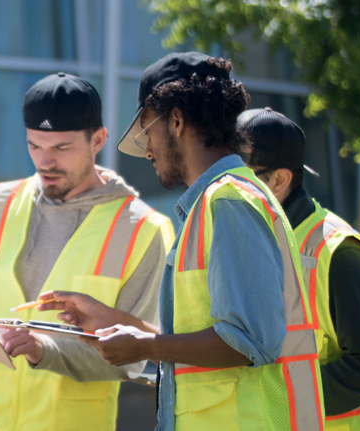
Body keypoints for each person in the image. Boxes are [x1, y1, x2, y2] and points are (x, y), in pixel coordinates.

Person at [37, 52, 328, 431]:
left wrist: (143, 347)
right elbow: (213, 335)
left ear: (175, 120)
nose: (146, 150)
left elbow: (248, 341)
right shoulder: (217, 202)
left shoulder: (229, 202)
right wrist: (119, 324)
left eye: (146, 131)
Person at [0, 72, 174, 431]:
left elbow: (133, 359)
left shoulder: (143, 230)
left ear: (98, 140)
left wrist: (45, 350)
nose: (45, 162)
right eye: (34, 146)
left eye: (61, 148)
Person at [238, 107, 360, 430]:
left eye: (240, 177)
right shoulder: (255, 244)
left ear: (279, 180)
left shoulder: (341, 253)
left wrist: (267, 399)